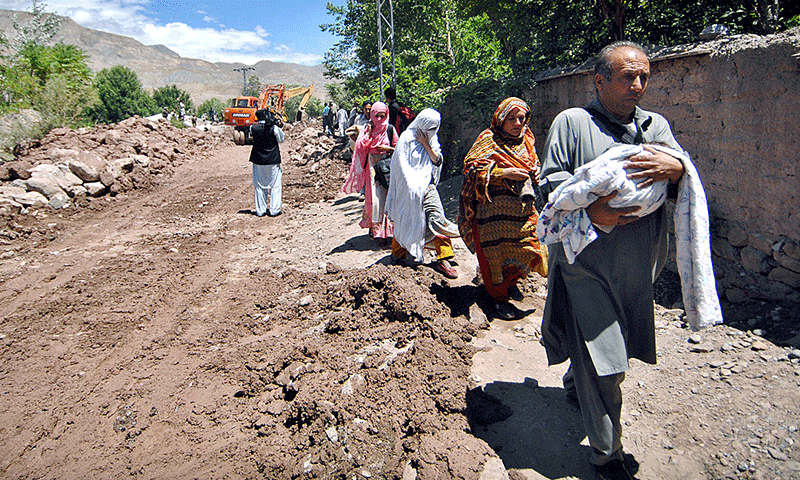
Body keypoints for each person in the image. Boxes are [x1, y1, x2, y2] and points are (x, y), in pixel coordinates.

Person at [538, 41, 689, 480]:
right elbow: (552, 185)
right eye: (627, 76)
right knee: (609, 360)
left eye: (644, 76)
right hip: (586, 259)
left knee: (607, 343)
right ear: (599, 80)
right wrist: (592, 211)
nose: (638, 85)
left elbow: (682, 169)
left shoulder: (654, 125)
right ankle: (607, 454)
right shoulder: (573, 123)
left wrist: (675, 169)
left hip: (637, 264)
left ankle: (575, 382)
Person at [458, 97, 548, 319]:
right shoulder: (488, 140)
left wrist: (535, 172)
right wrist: (503, 174)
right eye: (511, 119)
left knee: (529, 249)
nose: (517, 123)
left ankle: (510, 283)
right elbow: (471, 171)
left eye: (521, 118)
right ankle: (498, 300)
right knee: (495, 257)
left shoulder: (526, 139)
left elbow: (533, 162)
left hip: (520, 213)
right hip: (492, 217)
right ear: (500, 119)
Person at [386, 108, 459, 279]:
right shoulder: (406, 139)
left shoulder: (431, 139)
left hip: (428, 186)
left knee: (436, 217)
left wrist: (426, 143)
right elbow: (401, 168)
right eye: (430, 127)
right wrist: (413, 186)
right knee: (406, 217)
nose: (433, 131)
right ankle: (398, 255)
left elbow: (437, 160)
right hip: (408, 189)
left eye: (435, 128)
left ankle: (444, 258)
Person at [340, 102, 396, 240]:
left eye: (382, 116)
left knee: (388, 200)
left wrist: (387, 149)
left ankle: (388, 232)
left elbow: (399, 148)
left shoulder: (390, 129)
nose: (379, 120)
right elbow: (359, 147)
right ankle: (376, 231)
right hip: (371, 171)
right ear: (372, 115)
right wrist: (368, 134)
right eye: (377, 116)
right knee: (374, 201)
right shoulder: (367, 129)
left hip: (387, 170)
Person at [249, 109, 285, 217]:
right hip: (272, 160)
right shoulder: (274, 128)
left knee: (259, 186)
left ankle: (260, 210)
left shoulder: (253, 128)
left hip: (258, 160)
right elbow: (281, 139)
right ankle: (274, 210)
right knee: (275, 185)